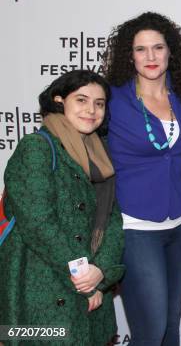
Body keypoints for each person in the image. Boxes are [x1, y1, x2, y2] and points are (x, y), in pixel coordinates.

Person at [0, 70, 124, 345]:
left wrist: (101, 272)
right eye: (81, 100)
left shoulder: (99, 154)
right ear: (59, 101)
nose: (91, 110)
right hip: (41, 288)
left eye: (99, 103)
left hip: (90, 286)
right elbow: (38, 224)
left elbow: (113, 220)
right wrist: (84, 278)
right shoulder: (36, 148)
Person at [103, 12, 181, 345]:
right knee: (151, 328)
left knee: (171, 324)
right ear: (129, 55)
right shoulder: (112, 99)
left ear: (171, 51)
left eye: (158, 47)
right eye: (141, 49)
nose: (151, 57)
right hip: (136, 229)